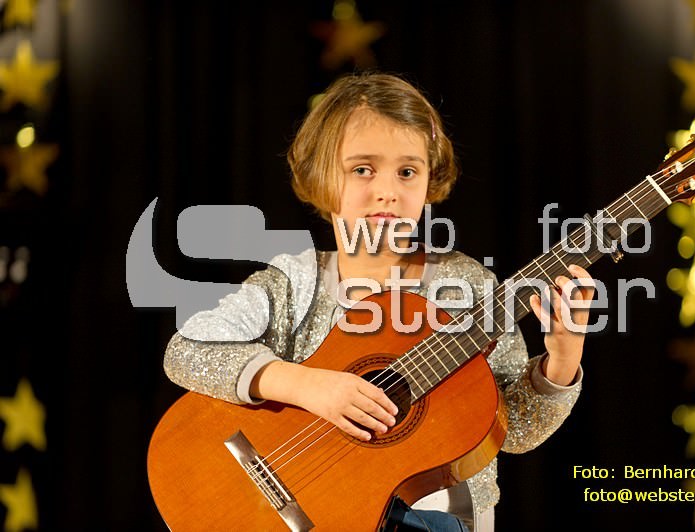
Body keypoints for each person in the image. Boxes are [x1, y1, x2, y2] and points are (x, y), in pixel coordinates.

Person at [163, 72, 594, 531]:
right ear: (322, 176)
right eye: (363, 169)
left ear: (429, 182)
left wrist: (562, 361)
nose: (388, 190)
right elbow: (187, 351)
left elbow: (517, 430)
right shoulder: (292, 282)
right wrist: (308, 385)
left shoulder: (467, 285)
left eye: (407, 172)